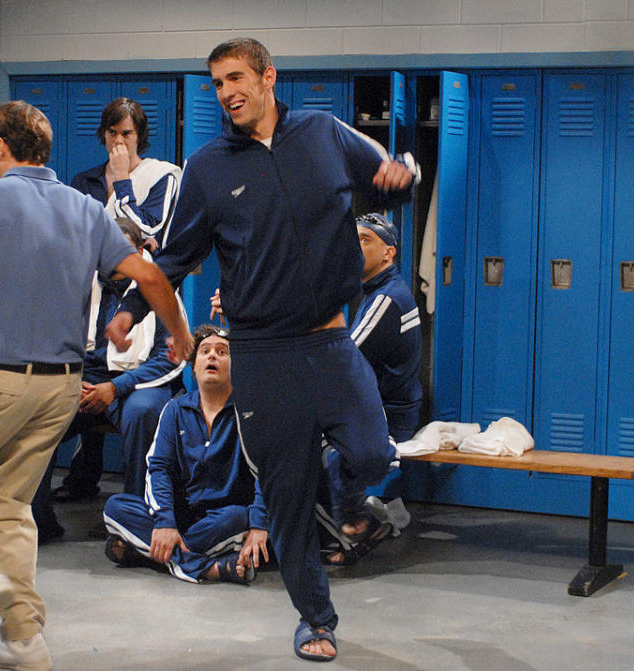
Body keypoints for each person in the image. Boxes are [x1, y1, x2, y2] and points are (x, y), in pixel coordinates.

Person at [106, 38, 417, 663]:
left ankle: (356, 503)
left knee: (370, 451)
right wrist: (133, 307)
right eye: (219, 82)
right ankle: (316, 619)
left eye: (237, 78)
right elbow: (177, 253)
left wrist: (399, 178)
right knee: (288, 493)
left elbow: (388, 179)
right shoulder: (209, 167)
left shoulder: (325, 134)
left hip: (329, 340)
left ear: (269, 78)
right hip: (262, 355)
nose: (228, 92)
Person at [0, 101, 192, 670]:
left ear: (2, 147)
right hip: (60, 389)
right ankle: (24, 642)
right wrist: (178, 334)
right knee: (5, 505)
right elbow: (152, 275)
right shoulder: (86, 209)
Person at [32, 218, 184, 534]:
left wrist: (115, 387)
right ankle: (37, 518)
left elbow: (168, 360)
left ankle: (131, 520)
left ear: (141, 251)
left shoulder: (158, 287)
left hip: (139, 379)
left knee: (142, 412)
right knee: (40, 407)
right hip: (86, 375)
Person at [102, 325, 269, 584]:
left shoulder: (249, 413)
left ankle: (145, 553)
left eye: (222, 352)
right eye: (205, 351)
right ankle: (208, 567)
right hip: (181, 516)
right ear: (194, 366)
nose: (212, 356)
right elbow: (158, 469)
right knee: (115, 507)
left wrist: (259, 523)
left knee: (239, 516)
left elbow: (265, 473)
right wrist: (165, 522)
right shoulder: (174, 409)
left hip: (222, 519)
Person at [319, 212, 423, 565]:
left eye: (366, 240)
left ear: (389, 252)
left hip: (389, 417)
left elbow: (343, 358)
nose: (355, 247)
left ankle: (360, 527)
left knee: (314, 448)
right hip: (371, 406)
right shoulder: (375, 291)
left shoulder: (386, 299)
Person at [70, 98, 182, 250]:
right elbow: (73, 232)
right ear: (104, 134)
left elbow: (145, 229)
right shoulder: (84, 181)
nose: (118, 140)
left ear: (139, 136)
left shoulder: (160, 177)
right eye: (112, 132)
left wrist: (122, 177)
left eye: (126, 134)